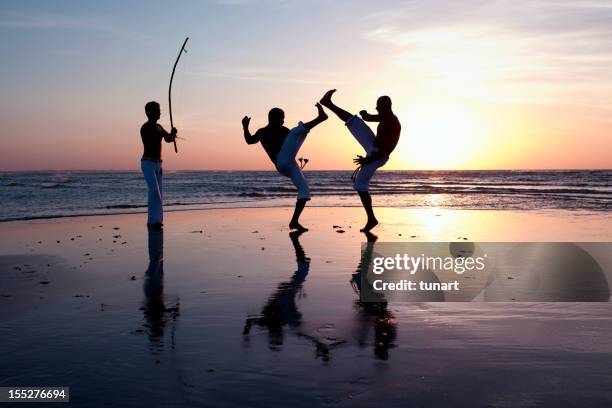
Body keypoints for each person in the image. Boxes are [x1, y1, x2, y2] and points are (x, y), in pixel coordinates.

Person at [320, 90, 401, 232]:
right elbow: (370, 118)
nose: (376, 108)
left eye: (378, 106)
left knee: (360, 185)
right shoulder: (385, 116)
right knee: (354, 121)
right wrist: (364, 115)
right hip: (373, 148)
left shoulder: (391, 122)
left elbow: (385, 150)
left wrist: (367, 160)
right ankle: (328, 103)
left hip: (377, 156)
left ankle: (371, 219)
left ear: (385, 106)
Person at [242, 103, 327, 231]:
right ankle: (320, 118)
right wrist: (245, 127)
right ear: (272, 118)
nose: (283, 120)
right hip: (281, 162)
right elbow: (249, 141)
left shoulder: (284, 130)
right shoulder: (263, 132)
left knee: (304, 191)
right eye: (281, 117)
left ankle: (294, 222)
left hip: (289, 163)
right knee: (295, 132)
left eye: (283, 117)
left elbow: (293, 143)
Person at [140, 101, 177, 229]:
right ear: (149, 112)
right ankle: (152, 221)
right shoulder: (145, 127)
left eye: (159, 109)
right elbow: (153, 137)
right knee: (154, 191)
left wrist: (172, 134)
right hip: (148, 163)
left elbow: (168, 139)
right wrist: (167, 135)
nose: (160, 112)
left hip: (158, 164)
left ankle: (157, 220)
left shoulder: (159, 127)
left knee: (159, 192)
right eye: (157, 109)